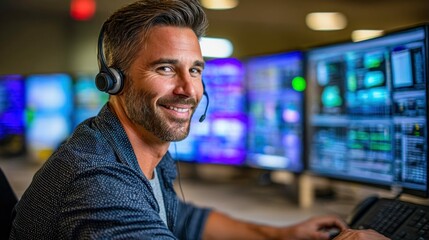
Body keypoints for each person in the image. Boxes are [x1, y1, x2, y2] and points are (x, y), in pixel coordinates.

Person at [10, 0, 390, 239]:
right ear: (115, 79)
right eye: (165, 68)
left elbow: (180, 218)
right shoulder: (97, 178)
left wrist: (278, 234)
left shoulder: (137, 147)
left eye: (195, 70)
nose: (188, 89)